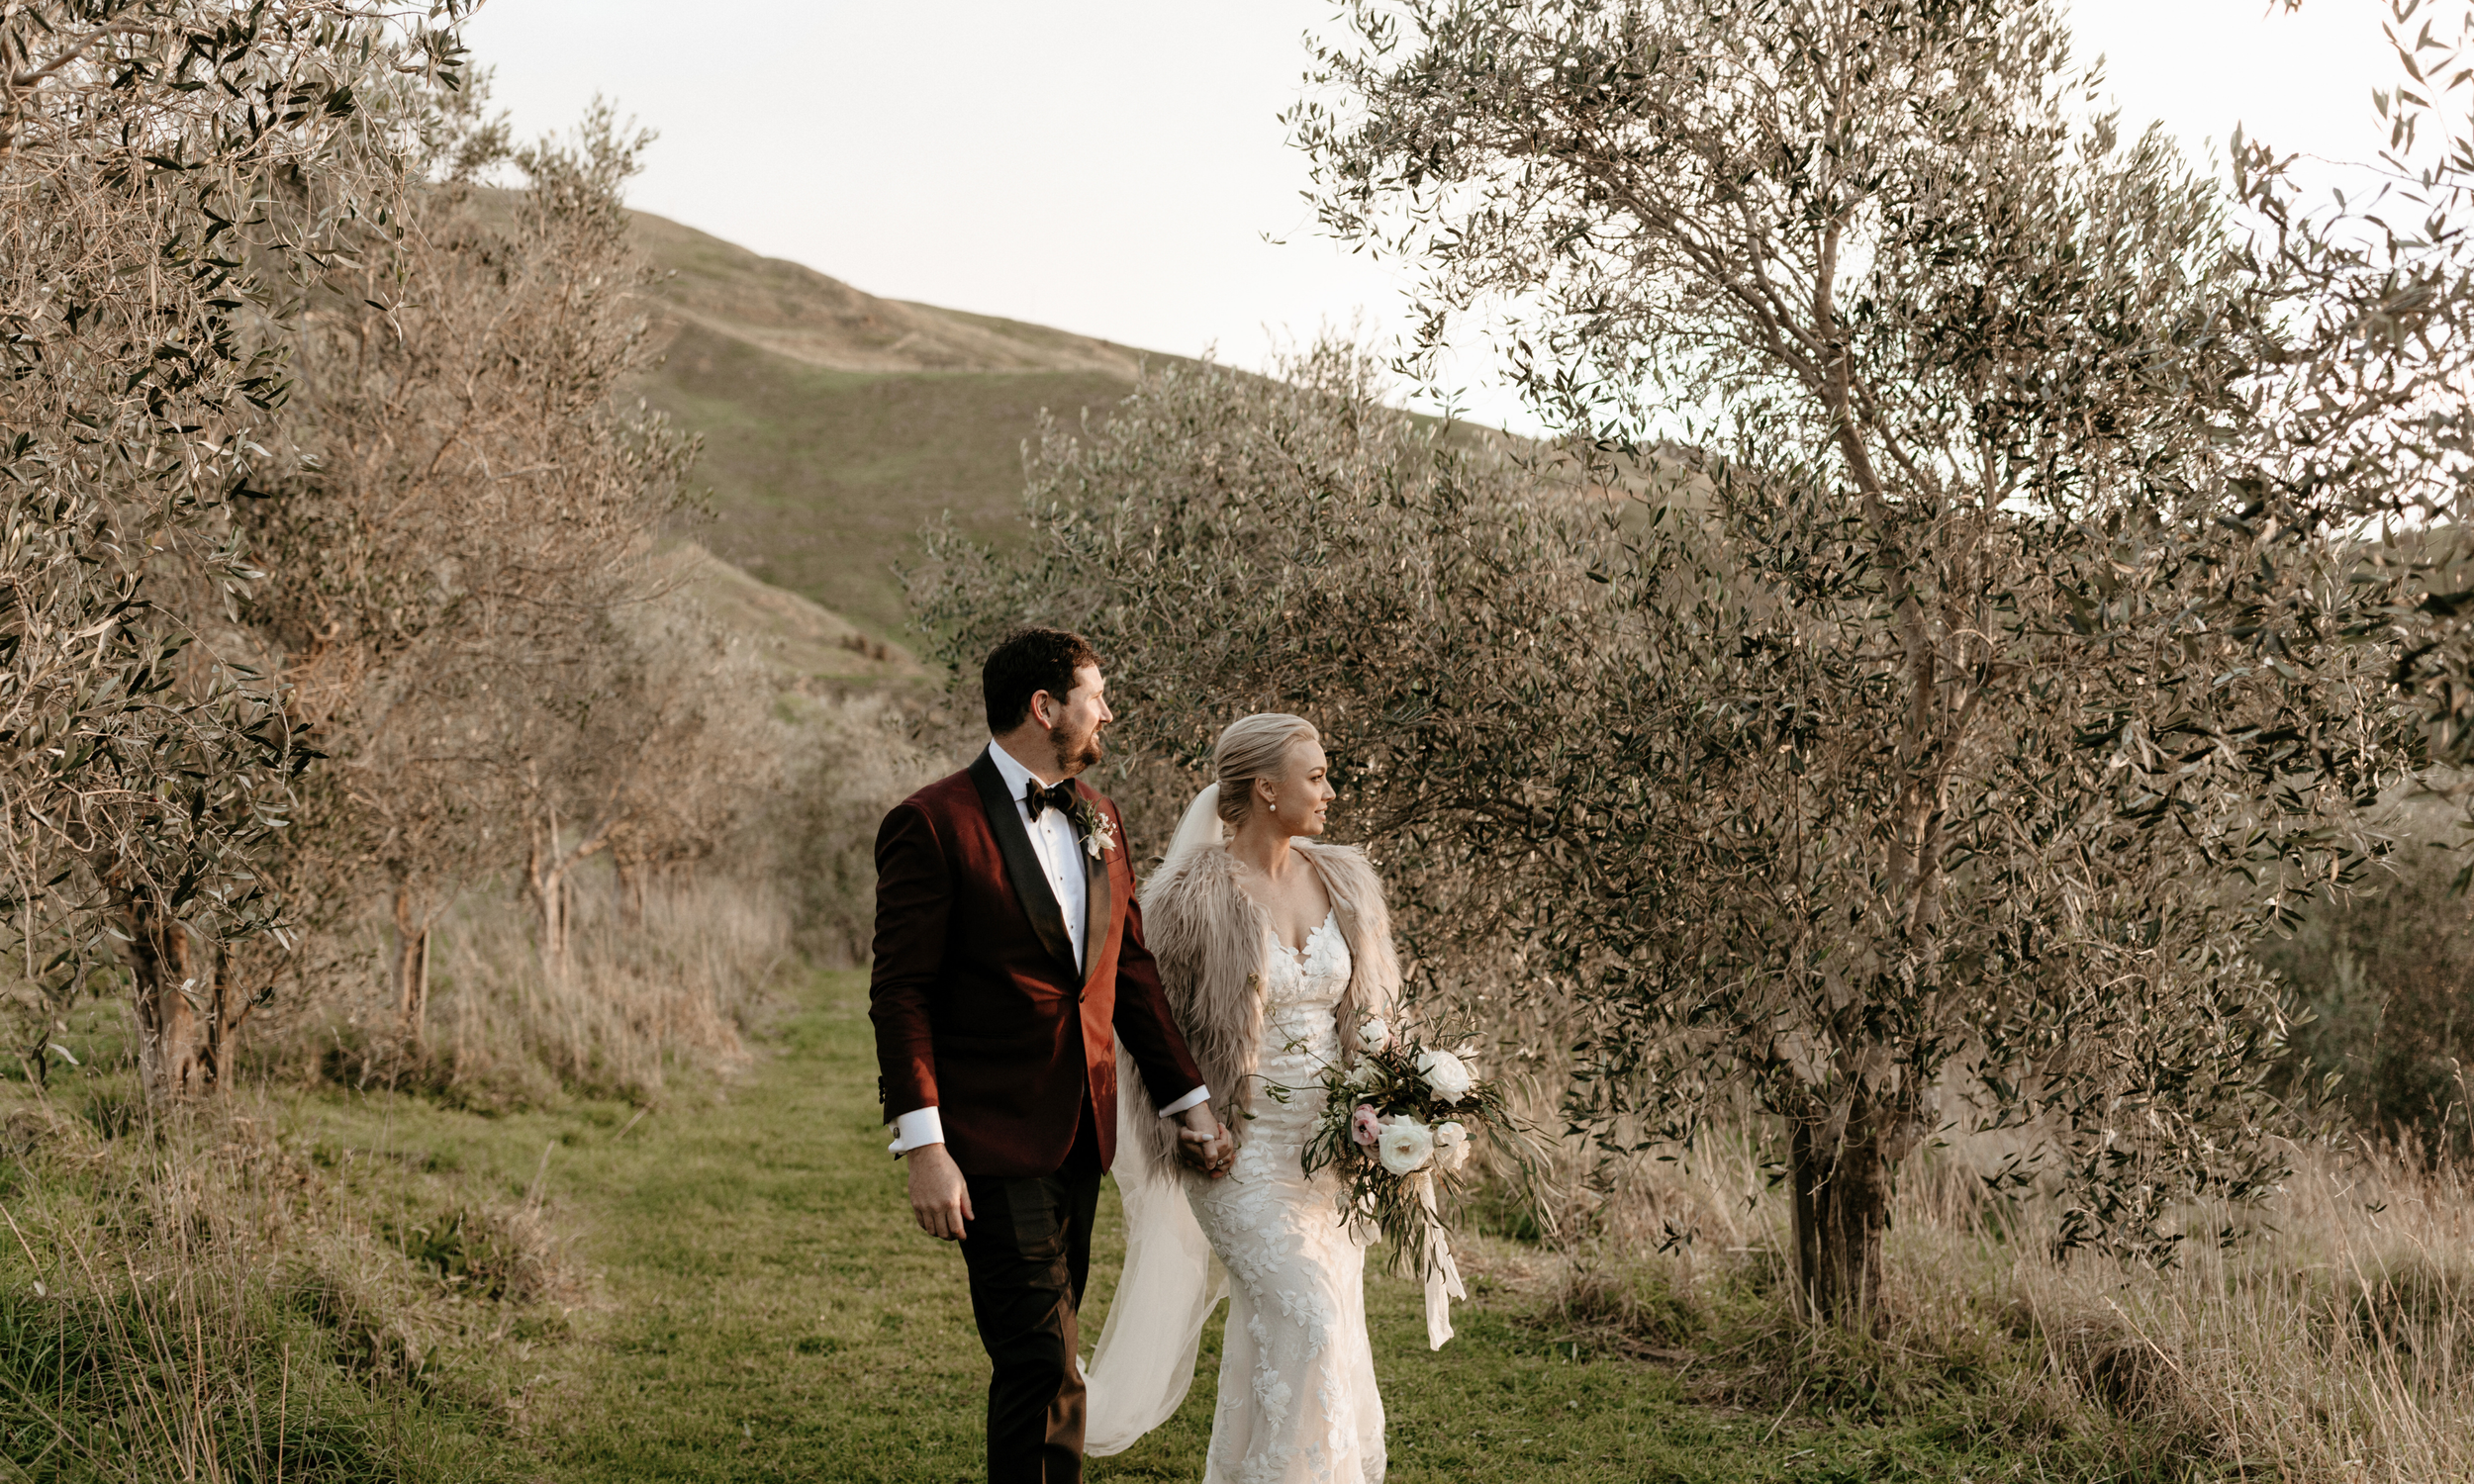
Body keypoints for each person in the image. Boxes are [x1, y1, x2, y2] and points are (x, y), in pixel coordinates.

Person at [868, 627, 1234, 1484]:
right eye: (1094, 696)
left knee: (1043, 1360)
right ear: (1044, 707)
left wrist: (1190, 1101)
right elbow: (902, 994)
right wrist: (924, 1146)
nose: (1106, 712)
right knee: (1044, 1363)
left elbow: (1128, 971)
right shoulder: (931, 823)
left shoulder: (1097, 815)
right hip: (987, 1139)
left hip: (1082, 1134)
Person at [1086, 711, 1426, 1484]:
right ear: (1267, 790)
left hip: (1335, 1151)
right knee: (1307, 1318)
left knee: (1301, 1332)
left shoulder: (1345, 878)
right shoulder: (1186, 898)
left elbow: (1378, 1012)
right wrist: (1191, 1122)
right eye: (1316, 776)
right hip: (1238, 1153)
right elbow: (1149, 1033)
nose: (1330, 791)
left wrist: (1408, 1100)